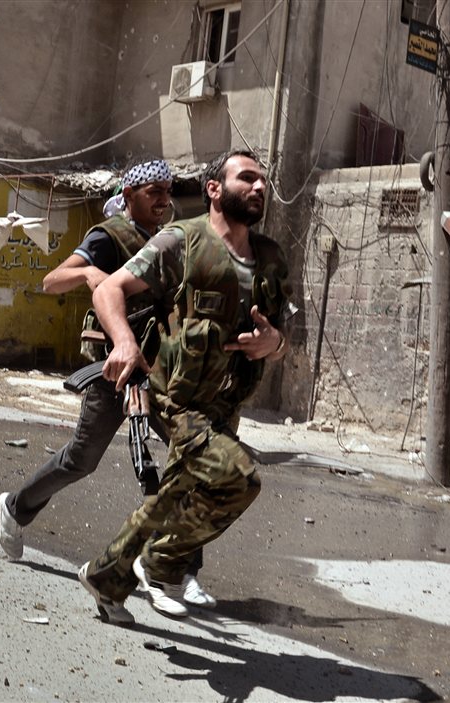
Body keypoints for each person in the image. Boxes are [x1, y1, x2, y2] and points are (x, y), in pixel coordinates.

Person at [75, 149, 290, 624]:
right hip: (176, 400)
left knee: (175, 493)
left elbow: (280, 341)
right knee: (240, 478)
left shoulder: (271, 260)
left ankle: (108, 576)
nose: (258, 187)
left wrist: (272, 344)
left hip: (226, 405)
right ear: (215, 188)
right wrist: (126, 344)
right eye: (247, 178)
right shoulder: (182, 241)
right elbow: (108, 290)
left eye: (262, 181)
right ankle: (161, 565)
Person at [0, 159, 217, 610]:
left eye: (167, 190)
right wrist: (89, 274)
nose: (162, 198)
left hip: (160, 370)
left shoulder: (170, 242)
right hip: (115, 369)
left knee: (189, 456)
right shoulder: (110, 235)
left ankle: (182, 570)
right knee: (81, 459)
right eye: (152, 190)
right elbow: (52, 279)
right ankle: (15, 509)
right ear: (130, 196)